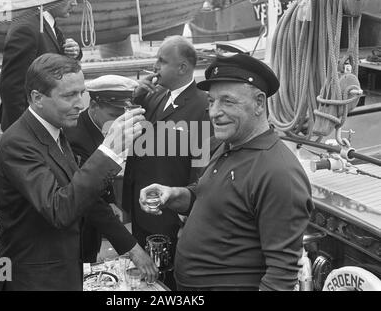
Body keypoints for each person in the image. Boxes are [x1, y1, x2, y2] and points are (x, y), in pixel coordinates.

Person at [139, 54, 314, 291]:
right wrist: (172, 194)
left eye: (227, 102)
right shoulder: (226, 145)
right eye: (211, 101)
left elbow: (281, 275)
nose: (214, 112)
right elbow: (209, 197)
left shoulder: (278, 173)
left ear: (259, 103)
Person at [0, 53, 153, 291]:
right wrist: (108, 151)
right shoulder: (17, 143)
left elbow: (80, 195)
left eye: (81, 93)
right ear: (37, 98)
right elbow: (59, 209)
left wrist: (129, 246)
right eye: (69, 95)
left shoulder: (54, 130)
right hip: (34, 280)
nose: (80, 104)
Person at [122, 35, 212, 289]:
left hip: (170, 215)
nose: (155, 67)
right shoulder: (154, 96)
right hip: (142, 208)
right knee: (146, 281)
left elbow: (201, 170)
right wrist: (136, 97)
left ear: (182, 68)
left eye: (162, 61)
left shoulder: (202, 106)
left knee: (169, 282)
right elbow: (138, 144)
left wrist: (188, 221)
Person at [65, 75, 157, 278]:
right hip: (74, 230)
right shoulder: (75, 138)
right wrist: (132, 248)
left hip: (92, 226)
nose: (118, 120)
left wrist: (110, 200)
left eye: (122, 113)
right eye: (113, 113)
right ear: (94, 105)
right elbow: (89, 200)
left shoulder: (102, 127)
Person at [0, 0, 82, 131]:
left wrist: (74, 53)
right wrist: (23, 130)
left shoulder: (44, 24)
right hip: (30, 126)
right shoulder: (26, 28)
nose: (75, 3)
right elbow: (12, 87)